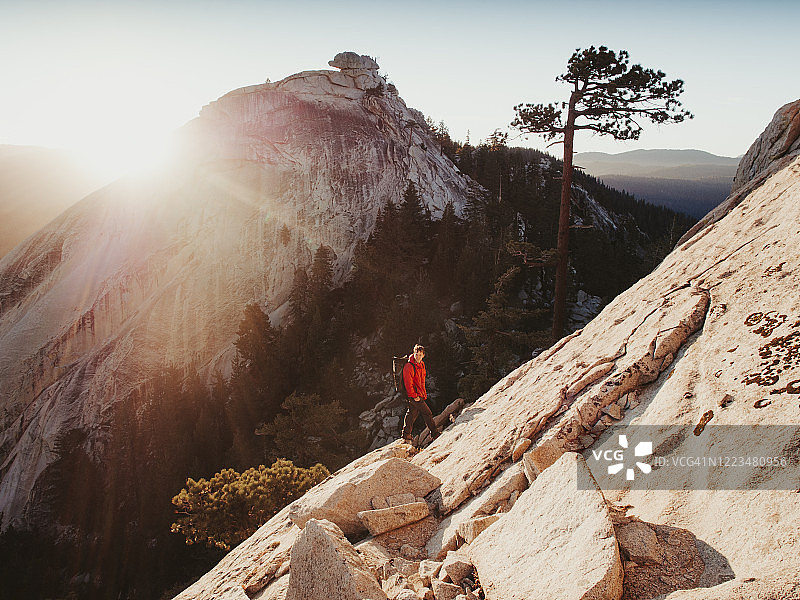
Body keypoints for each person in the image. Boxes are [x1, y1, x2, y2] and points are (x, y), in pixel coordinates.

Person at [401, 344, 440, 443]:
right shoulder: (409, 366)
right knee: (427, 413)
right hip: (414, 395)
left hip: (419, 394)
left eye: (420, 355)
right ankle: (435, 433)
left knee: (412, 413)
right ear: (413, 354)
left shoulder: (421, 364)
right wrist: (415, 396)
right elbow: (408, 384)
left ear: (423, 355)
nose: (418, 357)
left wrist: (423, 394)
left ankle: (406, 435)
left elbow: (421, 381)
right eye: (416, 354)